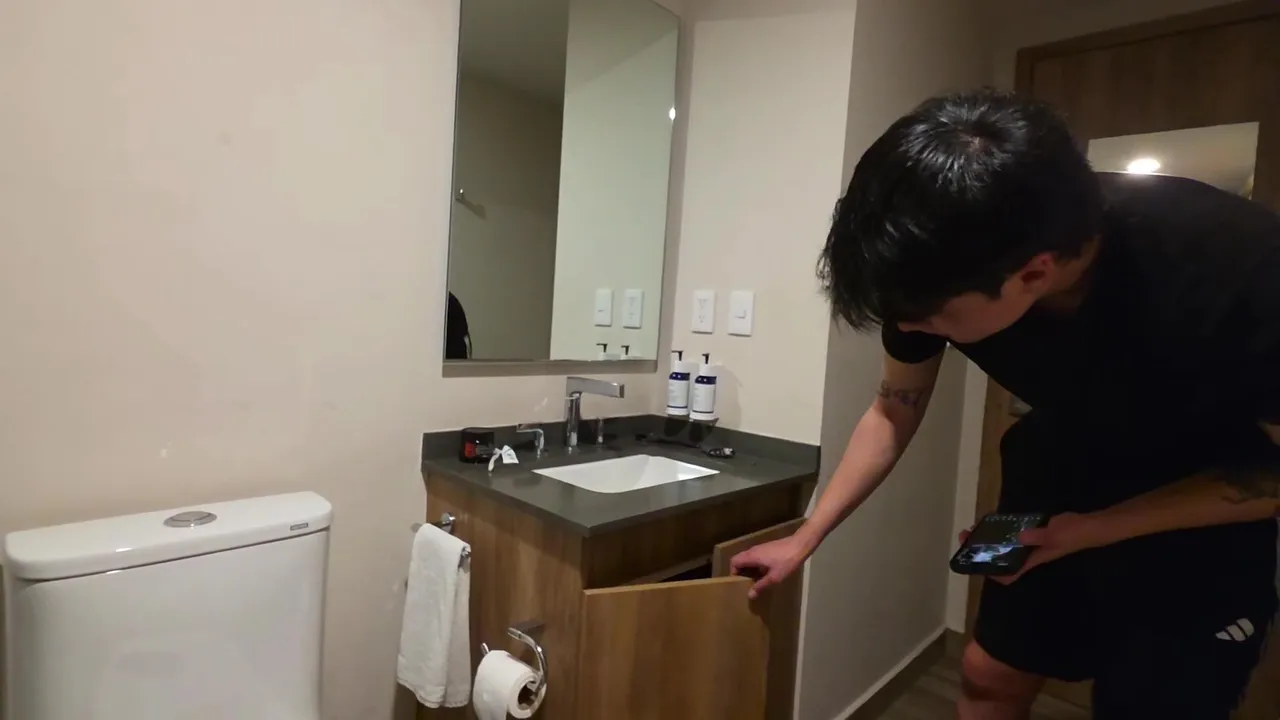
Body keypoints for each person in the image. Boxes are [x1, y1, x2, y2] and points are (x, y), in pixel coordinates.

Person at [729, 89, 1280, 719]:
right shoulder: (935, 274)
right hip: (1054, 478)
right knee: (988, 676)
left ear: (1034, 275)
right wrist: (806, 536)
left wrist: (1091, 530)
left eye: (930, 316)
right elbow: (893, 408)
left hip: (1203, 507)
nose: (911, 328)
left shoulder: (1242, 269)